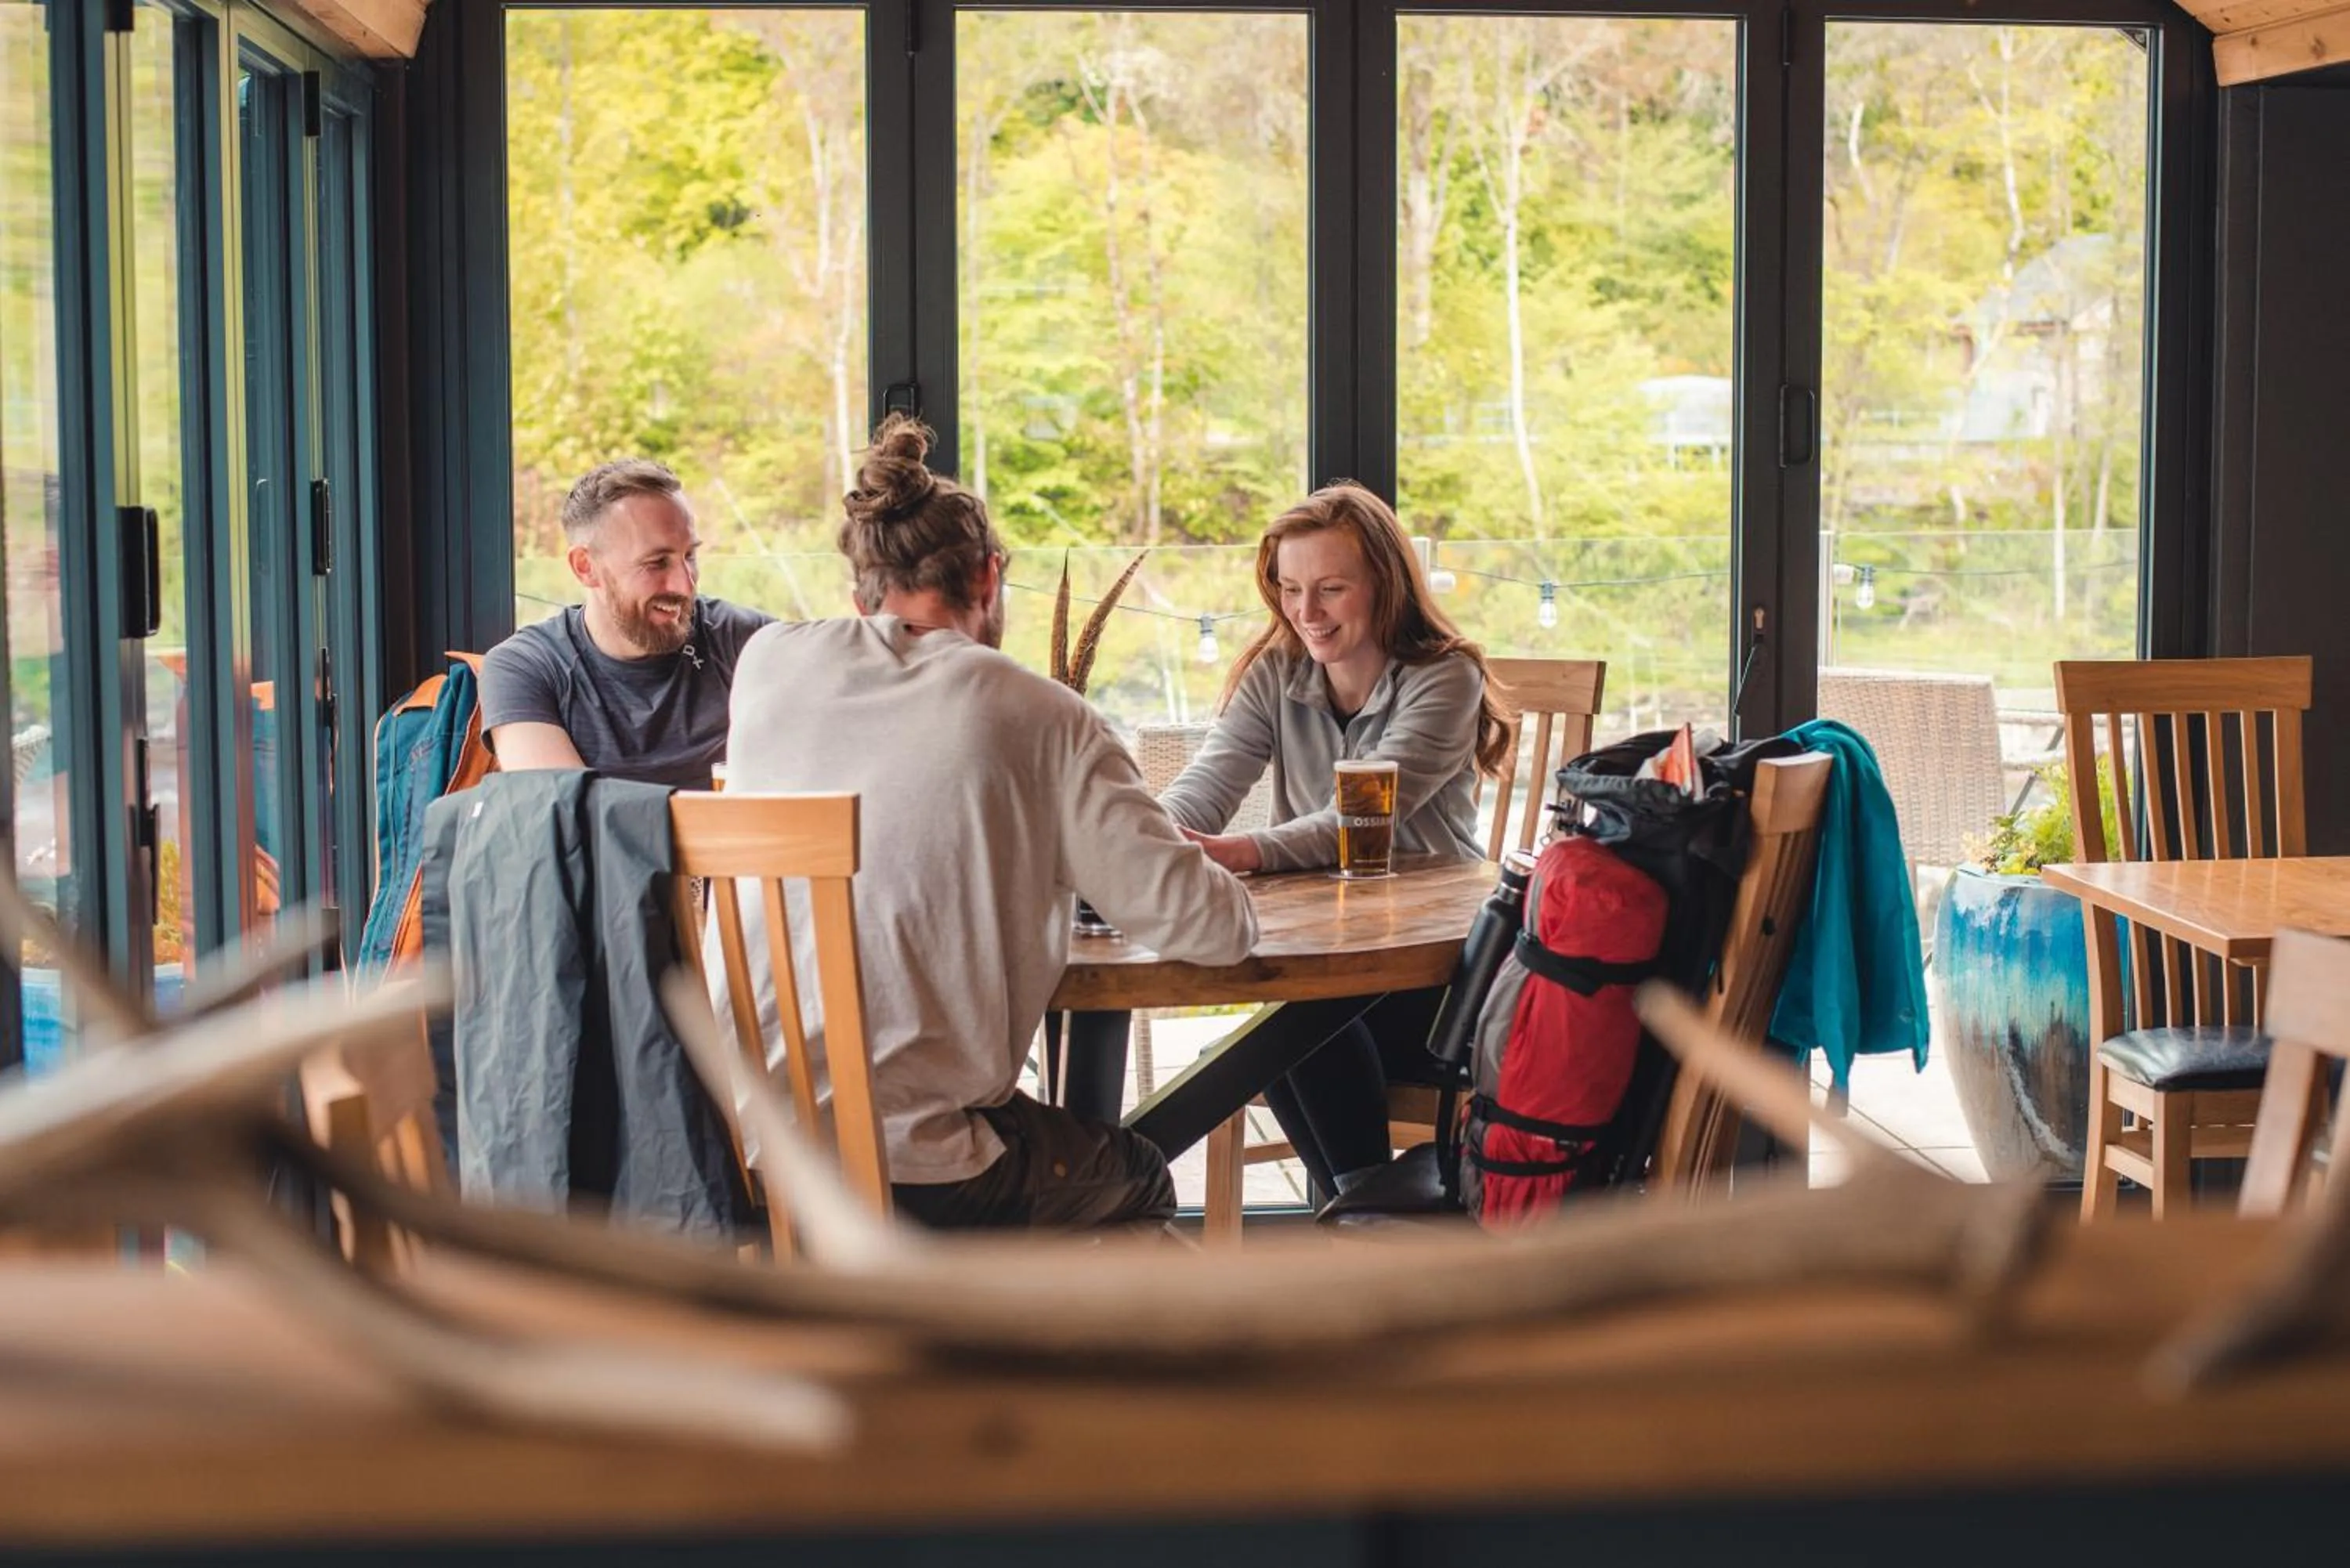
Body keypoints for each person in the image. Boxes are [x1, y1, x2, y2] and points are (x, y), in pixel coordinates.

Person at [715, 416, 1258, 1231]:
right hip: (912, 1171)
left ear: (861, 592)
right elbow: (1213, 928)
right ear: (990, 575)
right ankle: (1008, 1318)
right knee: (1137, 1174)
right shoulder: (1039, 712)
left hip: (742, 1149)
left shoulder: (766, 664)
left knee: (1032, 1132)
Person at [1156, 482, 1514, 1199]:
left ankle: (1362, 1214)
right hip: (1335, 962)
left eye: (1330, 589)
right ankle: (1367, 1210)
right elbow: (1209, 783)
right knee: (1295, 1023)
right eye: (1290, 589)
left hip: (1439, 975)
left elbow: (1361, 818)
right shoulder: (1276, 672)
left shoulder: (1446, 675)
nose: (1306, 613)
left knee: (1292, 1029)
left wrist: (1247, 851)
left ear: (1385, 585)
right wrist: (1148, 834)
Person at [480, 459, 772, 788]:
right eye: (657, 563)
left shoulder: (750, 642)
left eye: (689, 556)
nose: (685, 585)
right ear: (586, 567)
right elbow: (563, 809)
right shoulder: (525, 667)